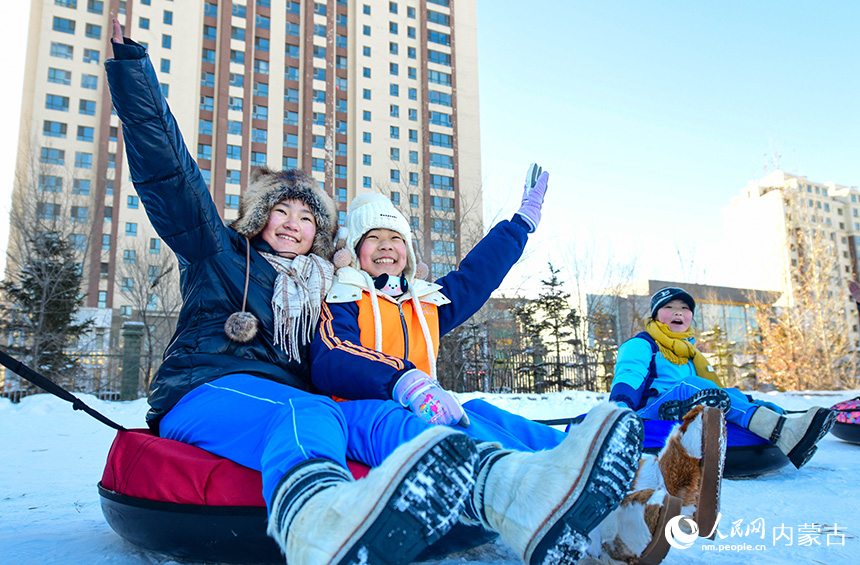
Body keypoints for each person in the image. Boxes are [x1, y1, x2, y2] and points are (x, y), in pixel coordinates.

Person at [106, 21, 643, 565]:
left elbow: (471, 282)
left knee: (389, 422)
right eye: (280, 210)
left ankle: (516, 496)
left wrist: (520, 225)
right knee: (305, 412)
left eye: (307, 217)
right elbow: (171, 175)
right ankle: (318, 521)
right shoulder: (220, 253)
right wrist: (134, 73)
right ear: (258, 217)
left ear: (320, 234)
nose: (293, 224)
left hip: (314, 397)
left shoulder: (325, 287)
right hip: (208, 387)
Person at [310, 187, 725, 564]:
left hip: (425, 405)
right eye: (374, 240)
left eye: (396, 239)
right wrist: (403, 379)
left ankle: (639, 473)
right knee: (449, 431)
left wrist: (518, 226)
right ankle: (589, 524)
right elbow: (332, 356)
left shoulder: (425, 304)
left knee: (484, 413)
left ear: (409, 252)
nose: (386, 247)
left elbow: (478, 275)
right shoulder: (343, 296)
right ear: (355, 252)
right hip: (364, 413)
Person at [610, 286, 836, 470]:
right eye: (669, 307)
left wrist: (746, 400)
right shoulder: (642, 344)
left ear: (691, 316)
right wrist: (621, 408)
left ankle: (785, 423)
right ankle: (782, 432)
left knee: (734, 395)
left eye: (684, 308)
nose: (678, 312)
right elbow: (630, 374)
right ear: (656, 315)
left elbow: (716, 392)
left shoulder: (689, 353)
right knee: (692, 385)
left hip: (684, 399)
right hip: (647, 411)